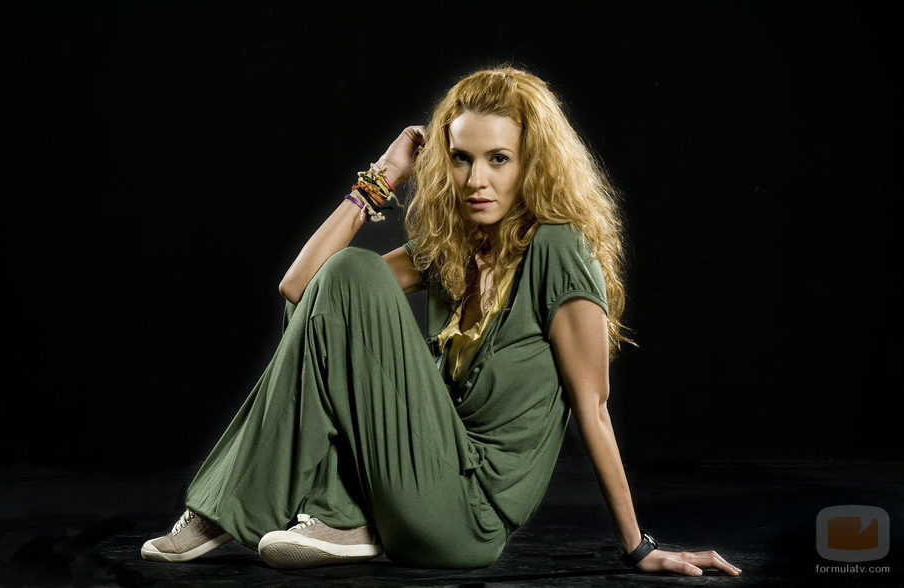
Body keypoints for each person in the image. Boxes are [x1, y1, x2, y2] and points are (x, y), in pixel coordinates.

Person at [140, 65, 741, 577]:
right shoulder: (454, 251)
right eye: (461, 159)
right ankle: (347, 518)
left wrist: (639, 548)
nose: (477, 180)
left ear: (532, 165)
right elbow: (302, 288)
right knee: (341, 282)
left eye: (499, 159)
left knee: (352, 270)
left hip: (467, 515)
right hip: (411, 480)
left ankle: (237, 508)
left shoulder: (558, 251)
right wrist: (382, 176)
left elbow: (595, 409)